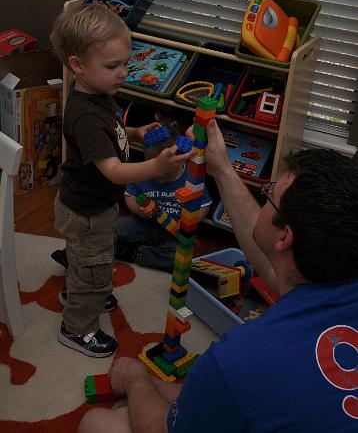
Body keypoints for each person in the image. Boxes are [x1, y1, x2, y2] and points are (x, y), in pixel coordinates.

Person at [78, 118, 358, 432]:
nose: (263, 199)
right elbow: (269, 265)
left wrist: (135, 379)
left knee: (100, 422)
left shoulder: (237, 359)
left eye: (268, 195)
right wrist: (222, 167)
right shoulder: (332, 271)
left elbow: (160, 428)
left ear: (284, 238)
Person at [50, 3, 195, 358]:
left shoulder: (99, 96)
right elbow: (114, 170)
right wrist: (157, 166)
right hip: (87, 210)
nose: (123, 73)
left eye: (125, 63)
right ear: (78, 66)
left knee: (92, 258)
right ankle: (77, 327)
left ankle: (80, 286)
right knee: (94, 264)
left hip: (94, 204)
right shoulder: (84, 113)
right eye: (112, 66)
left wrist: (133, 131)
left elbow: (109, 133)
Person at [116, 129, 212, 272]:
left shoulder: (191, 178)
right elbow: (130, 195)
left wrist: (189, 221)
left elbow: (204, 204)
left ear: (181, 160)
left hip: (172, 233)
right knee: (112, 228)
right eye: (155, 170)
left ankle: (135, 253)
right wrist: (138, 209)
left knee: (179, 258)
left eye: (166, 173)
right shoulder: (142, 172)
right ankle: (126, 246)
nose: (159, 177)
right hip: (144, 224)